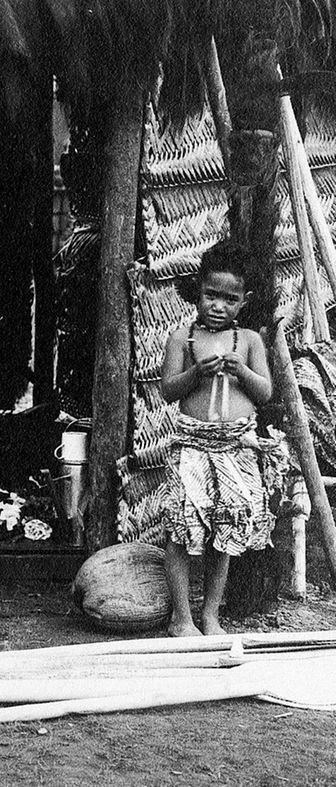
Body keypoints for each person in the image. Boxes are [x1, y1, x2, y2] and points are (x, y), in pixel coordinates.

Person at [158, 240, 284, 637]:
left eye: (230, 299)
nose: (218, 306)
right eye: (211, 295)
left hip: (234, 448)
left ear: (243, 302)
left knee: (225, 531)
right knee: (181, 527)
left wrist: (240, 371)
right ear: (198, 290)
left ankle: (210, 614)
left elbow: (265, 394)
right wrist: (196, 373)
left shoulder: (247, 341)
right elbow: (167, 390)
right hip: (193, 446)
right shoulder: (183, 339)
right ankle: (182, 617)